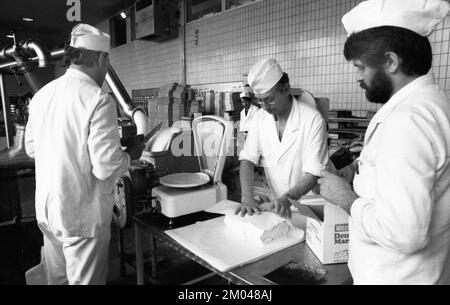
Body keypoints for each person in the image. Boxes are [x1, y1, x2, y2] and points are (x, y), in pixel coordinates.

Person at [318, 0, 450, 284]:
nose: (357, 77)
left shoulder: (409, 120)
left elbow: (405, 233)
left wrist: (344, 196)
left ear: (391, 62)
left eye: (360, 67)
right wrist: (361, 174)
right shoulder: (430, 104)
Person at [25, 24, 144, 284]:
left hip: (48, 210)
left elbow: (31, 148)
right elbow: (106, 166)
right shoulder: (98, 99)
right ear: (102, 58)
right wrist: (131, 154)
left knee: (56, 279)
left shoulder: (42, 95)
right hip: (81, 215)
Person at [235, 59, 328, 219]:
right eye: (260, 100)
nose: (264, 106)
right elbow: (247, 160)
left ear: (286, 89)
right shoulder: (260, 118)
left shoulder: (312, 119)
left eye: (269, 99)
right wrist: (247, 197)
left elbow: (313, 173)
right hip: (276, 205)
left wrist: (287, 198)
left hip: (307, 206)